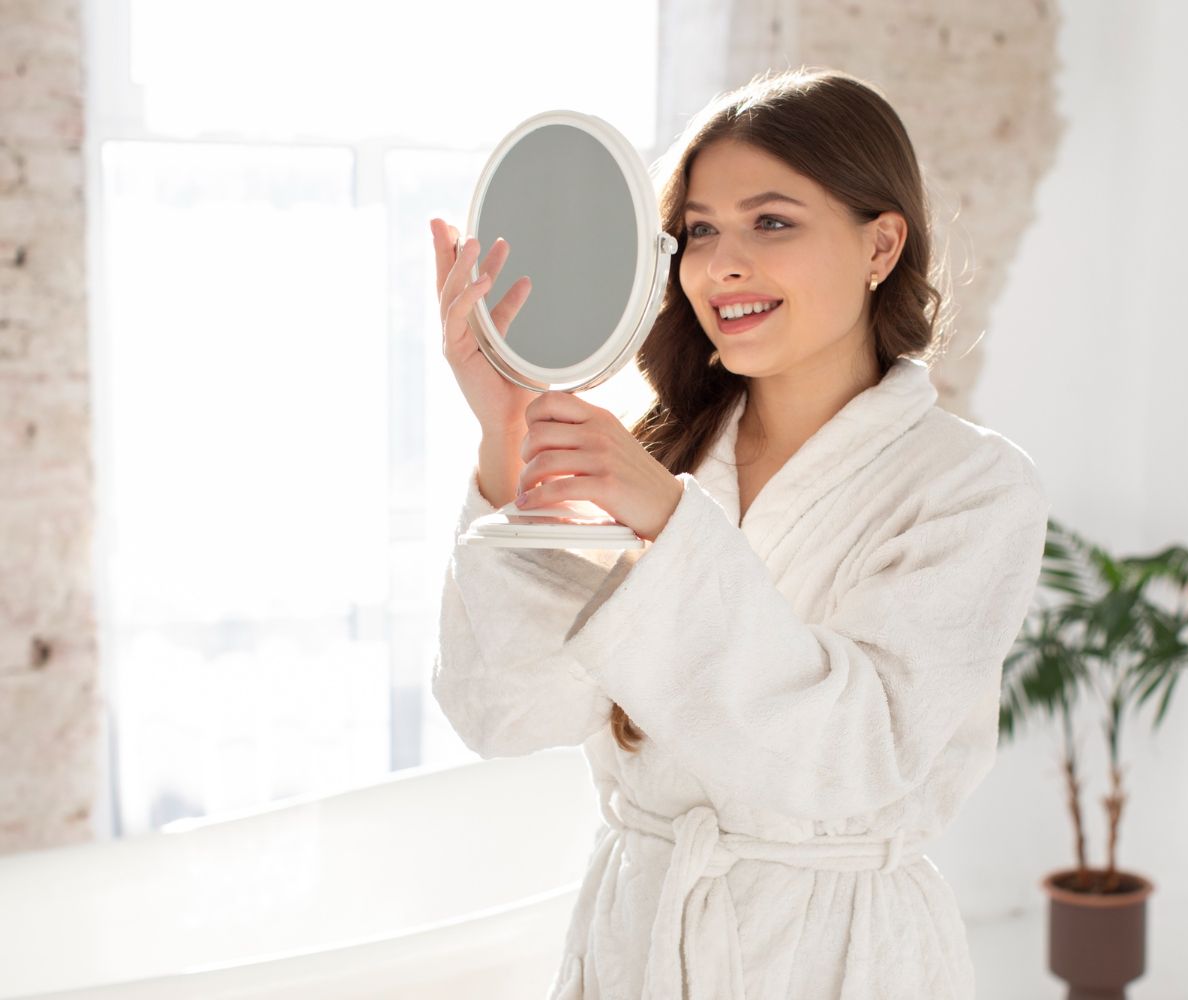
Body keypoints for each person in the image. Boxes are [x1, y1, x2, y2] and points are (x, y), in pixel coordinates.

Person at [429, 66, 1050, 1000]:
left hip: (839, 958)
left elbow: (856, 757)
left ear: (881, 244)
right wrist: (503, 438)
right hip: (638, 940)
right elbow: (508, 712)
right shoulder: (653, 456)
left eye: (773, 222)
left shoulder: (971, 488)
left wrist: (674, 526)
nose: (721, 266)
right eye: (701, 231)